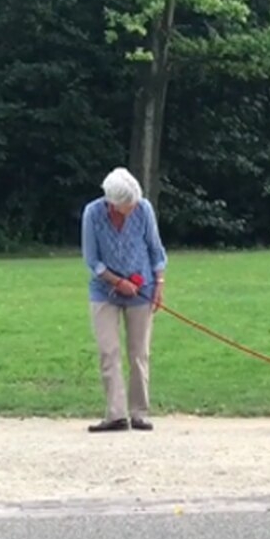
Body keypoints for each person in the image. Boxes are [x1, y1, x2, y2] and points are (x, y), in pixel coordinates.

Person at [80, 166, 168, 433]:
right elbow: (91, 260)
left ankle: (139, 412)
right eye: (127, 204)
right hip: (104, 291)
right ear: (112, 202)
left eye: (134, 202)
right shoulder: (92, 214)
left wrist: (159, 284)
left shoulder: (144, 210)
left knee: (139, 352)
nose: (133, 207)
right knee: (109, 351)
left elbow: (156, 249)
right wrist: (118, 282)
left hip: (142, 288)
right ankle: (116, 415)